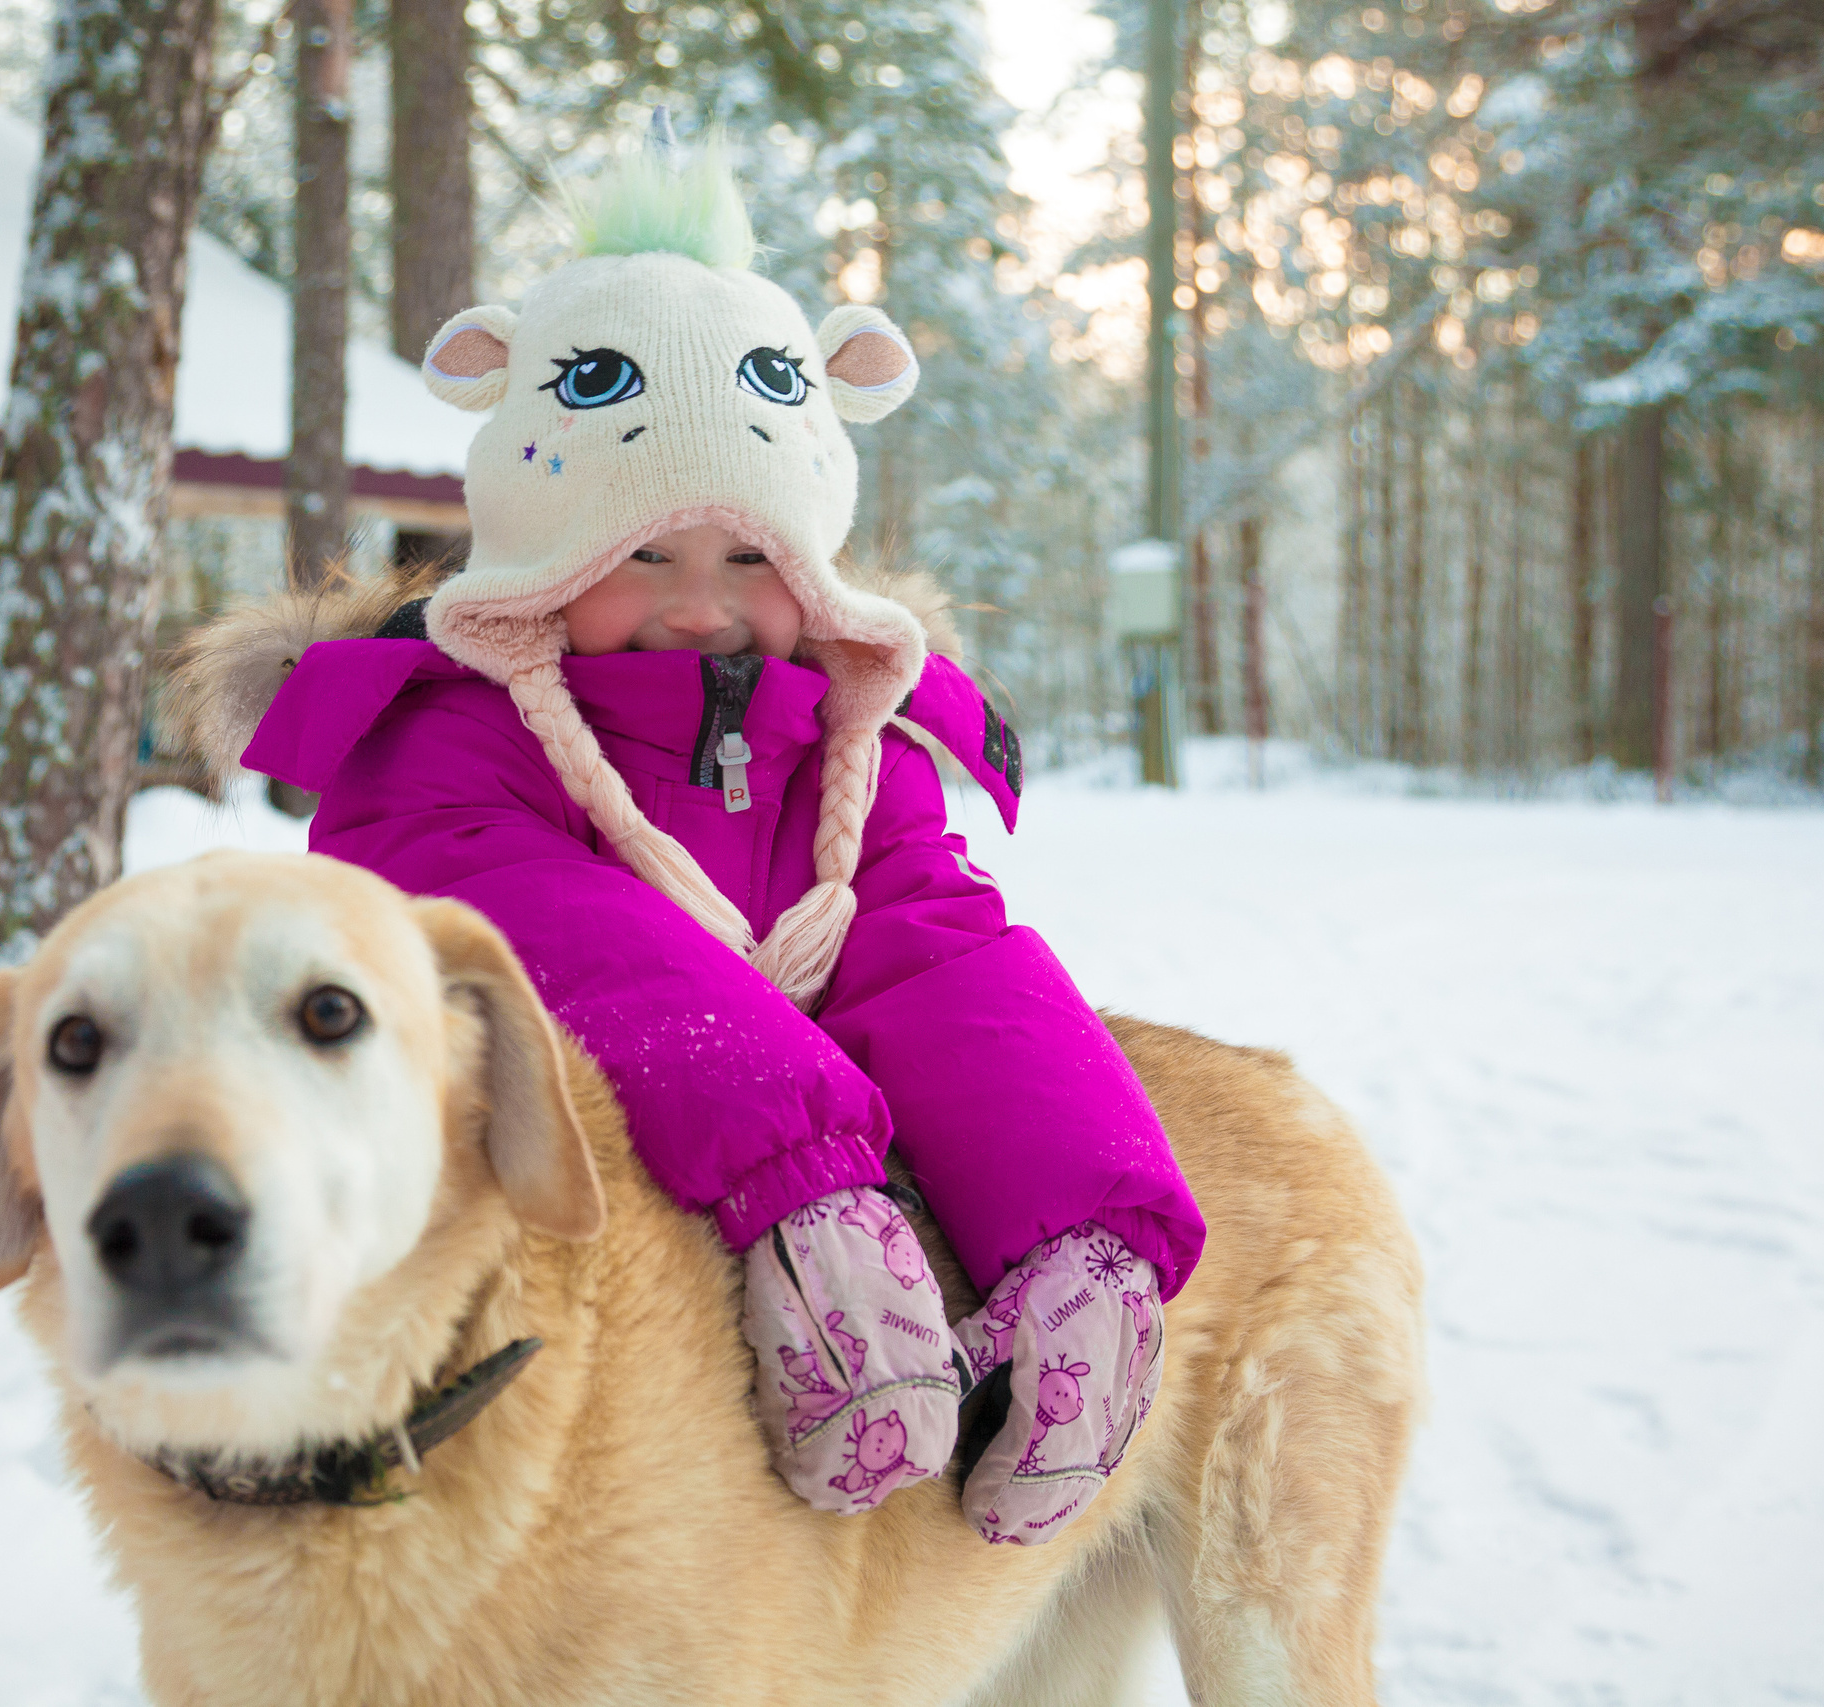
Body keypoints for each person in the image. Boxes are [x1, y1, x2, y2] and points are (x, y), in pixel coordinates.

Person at [237, 140, 1204, 1545]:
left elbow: (935, 950)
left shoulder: (841, 740)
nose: (700, 609)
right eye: (640, 560)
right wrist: (793, 1168)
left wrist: (1081, 1226)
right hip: (556, 1319)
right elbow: (530, 918)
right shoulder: (443, 739)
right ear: (540, 564)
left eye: (750, 562)